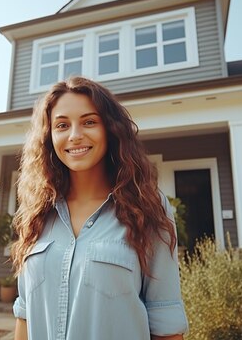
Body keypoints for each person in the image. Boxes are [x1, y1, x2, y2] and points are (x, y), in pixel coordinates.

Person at [11, 77, 188, 340]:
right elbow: (25, 314)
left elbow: (165, 318)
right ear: (49, 136)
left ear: (111, 129)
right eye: (62, 125)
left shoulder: (148, 207)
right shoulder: (37, 213)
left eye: (89, 122)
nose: (75, 135)